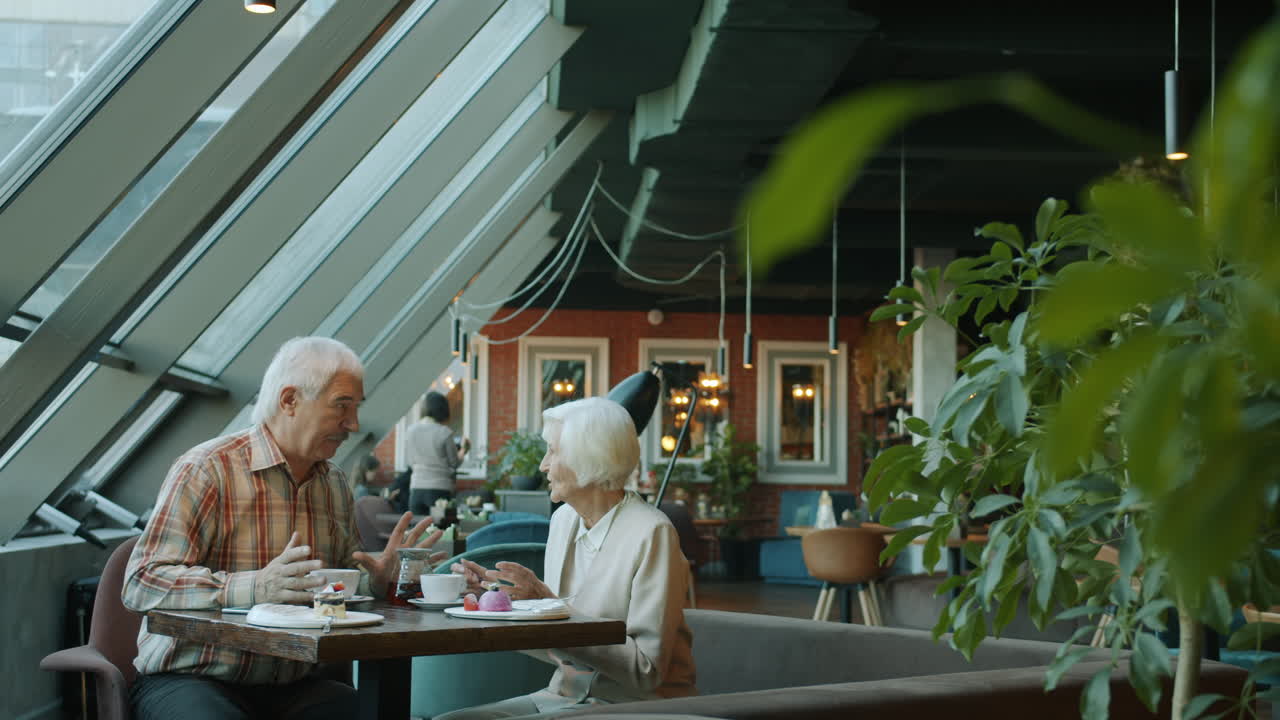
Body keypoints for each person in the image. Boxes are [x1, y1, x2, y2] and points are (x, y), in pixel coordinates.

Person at [122, 336, 442, 720]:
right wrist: (256, 587)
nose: (353, 424)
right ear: (289, 400)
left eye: (356, 408)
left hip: (295, 684)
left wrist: (376, 582)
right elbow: (142, 581)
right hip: (192, 677)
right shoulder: (207, 469)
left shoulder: (333, 483)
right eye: (342, 406)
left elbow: (333, 584)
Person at [440, 397, 696, 719]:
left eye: (553, 451)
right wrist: (496, 602)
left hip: (634, 706)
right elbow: (557, 648)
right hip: (562, 698)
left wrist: (550, 606)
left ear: (589, 458)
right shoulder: (564, 521)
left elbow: (646, 671)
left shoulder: (652, 533)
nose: (543, 465)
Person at [404, 390, 470, 514]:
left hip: (416, 488)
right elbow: (454, 463)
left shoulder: (410, 431)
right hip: (440, 488)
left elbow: (410, 461)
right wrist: (463, 450)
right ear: (443, 409)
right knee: (441, 531)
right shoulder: (444, 432)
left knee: (418, 530)